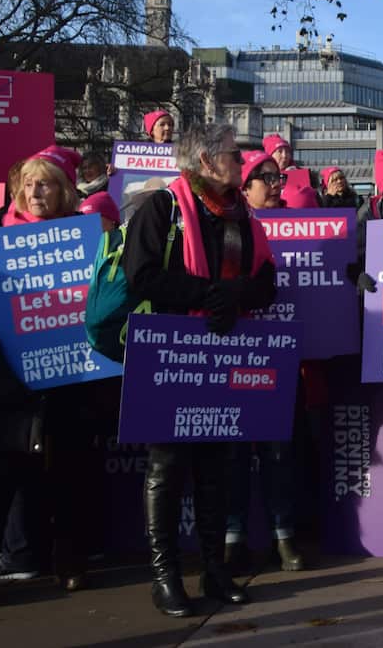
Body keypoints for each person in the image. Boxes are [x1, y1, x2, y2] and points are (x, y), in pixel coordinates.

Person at [124, 123, 278, 616]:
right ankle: (166, 576)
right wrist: (208, 296)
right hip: (172, 356)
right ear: (207, 162)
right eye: (234, 154)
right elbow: (141, 277)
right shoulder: (162, 208)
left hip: (221, 355)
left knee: (216, 466)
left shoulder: (241, 215)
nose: (242, 160)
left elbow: (267, 283)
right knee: (166, 467)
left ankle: (214, 570)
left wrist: (235, 297)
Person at [0, 146, 112, 607]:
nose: (34, 191)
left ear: (65, 191)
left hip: (69, 382)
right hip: (12, 386)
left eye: (44, 183)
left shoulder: (85, 243)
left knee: (70, 475)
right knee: (2, 479)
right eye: (27, 184)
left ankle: (69, 560)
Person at [223, 149, 304, 573]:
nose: (276, 184)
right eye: (266, 177)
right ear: (245, 187)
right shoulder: (229, 226)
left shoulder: (301, 226)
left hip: (279, 353)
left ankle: (283, 534)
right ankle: (232, 537)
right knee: (234, 452)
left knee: (278, 451)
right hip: (233, 349)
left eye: (278, 177)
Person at [263, 134, 320, 209]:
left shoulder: (302, 175)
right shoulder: (261, 176)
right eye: (280, 152)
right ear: (270, 155)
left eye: (287, 152)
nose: (285, 155)